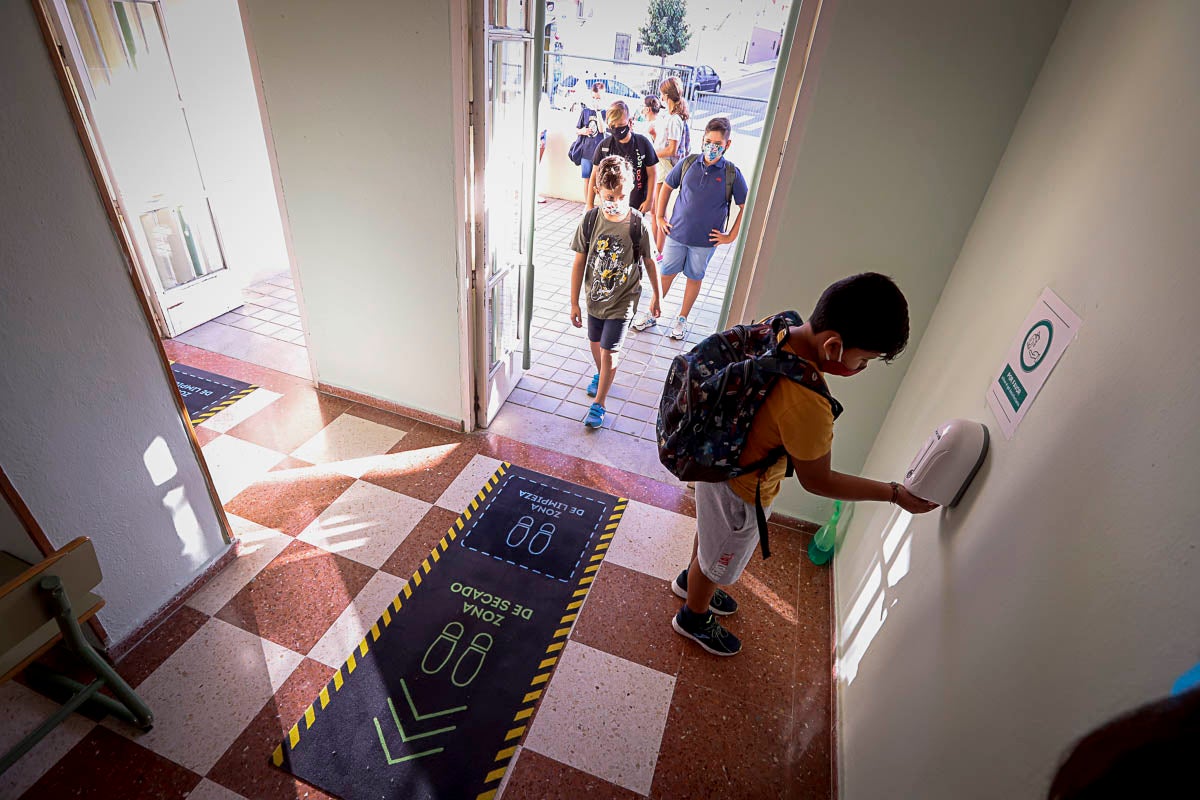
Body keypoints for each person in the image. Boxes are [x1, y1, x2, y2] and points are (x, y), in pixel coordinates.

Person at [671, 273, 939, 657]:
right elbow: (819, 481)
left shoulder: (779, 327)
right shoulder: (808, 403)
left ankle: (692, 582)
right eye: (863, 360)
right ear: (834, 345)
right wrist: (893, 494)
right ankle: (693, 615)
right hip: (743, 492)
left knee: (710, 539)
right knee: (720, 556)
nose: (860, 369)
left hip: (718, 462)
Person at [569, 156, 662, 429]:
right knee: (595, 344)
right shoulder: (589, 221)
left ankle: (599, 403)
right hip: (594, 299)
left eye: (621, 195)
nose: (616, 201)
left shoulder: (638, 224)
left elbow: (650, 262)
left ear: (631, 188)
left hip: (624, 300)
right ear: (597, 191)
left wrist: (657, 296)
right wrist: (573, 302)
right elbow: (579, 262)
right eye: (609, 195)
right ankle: (603, 375)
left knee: (610, 351)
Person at [647, 116, 746, 339]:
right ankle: (652, 313)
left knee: (694, 277)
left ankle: (681, 320)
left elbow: (745, 206)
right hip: (677, 234)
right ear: (703, 140)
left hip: (705, 242)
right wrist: (660, 217)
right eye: (708, 141)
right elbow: (667, 188)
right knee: (666, 274)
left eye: (718, 144)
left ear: (727, 145)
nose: (712, 147)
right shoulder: (688, 163)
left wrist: (730, 236)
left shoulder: (731, 173)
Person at [586, 102, 658, 215]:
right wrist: (589, 204)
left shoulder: (642, 143)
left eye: (620, 125)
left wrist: (649, 200)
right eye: (613, 126)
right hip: (610, 207)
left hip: (636, 206)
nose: (617, 130)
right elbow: (594, 174)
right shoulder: (604, 146)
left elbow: (652, 173)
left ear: (629, 122)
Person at [652, 76, 691, 261]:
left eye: (662, 93)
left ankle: (658, 252)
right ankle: (655, 248)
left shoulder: (675, 119)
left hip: (666, 169)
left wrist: (652, 153)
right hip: (662, 167)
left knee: (659, 211)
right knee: (656, 211)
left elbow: (671, 150)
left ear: (666, 95)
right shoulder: (669, 116)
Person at [574, 81, 606, 198]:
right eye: (593, 98)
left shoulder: (604, 112)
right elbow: (577, 129)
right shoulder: (585, 111)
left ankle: (595, 203)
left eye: (598, 98)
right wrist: (583, 131)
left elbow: (602, 130)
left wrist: (598, 111)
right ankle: (587, 204)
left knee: (598, 180)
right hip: (586, 151)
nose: (595, 100)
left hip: (598, 152)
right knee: (586, 179)